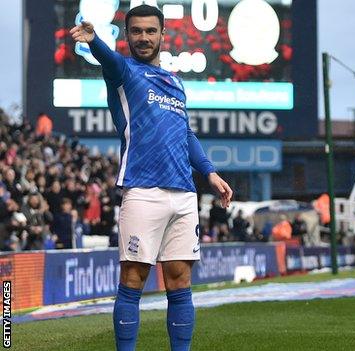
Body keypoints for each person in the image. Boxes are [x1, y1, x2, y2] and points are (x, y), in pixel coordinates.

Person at [70, 5, 233, 351]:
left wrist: (210, 172)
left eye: (150, 31)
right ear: (127, 35)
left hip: (185, 193)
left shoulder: (176, 83)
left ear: (162, 35)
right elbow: (109, 61)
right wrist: (95, 40)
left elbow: (185, 133)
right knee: (133, 280)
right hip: (143, 190)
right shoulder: (123, 72)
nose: (143, 37)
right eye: (136, 31)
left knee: (180, 281)